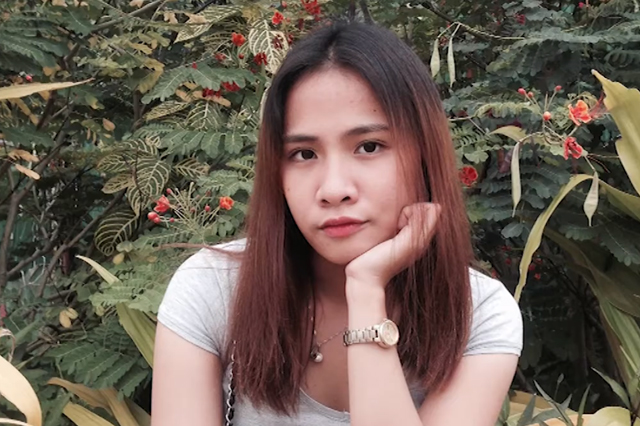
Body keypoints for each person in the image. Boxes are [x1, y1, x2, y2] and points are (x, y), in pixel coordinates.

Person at [151, 20, 523, 426]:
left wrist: (365, 288)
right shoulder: (213, 288)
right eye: (304, 154)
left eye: (369, 147)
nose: (333, 189)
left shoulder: (478, 315)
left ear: (423, 155)